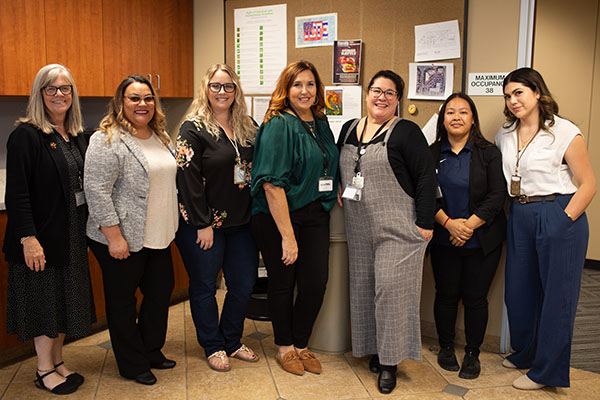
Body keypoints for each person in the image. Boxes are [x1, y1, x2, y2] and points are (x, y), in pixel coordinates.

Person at [496, 67, 596, 390]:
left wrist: (562, 221)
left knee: (557, 298)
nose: (513, 101)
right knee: (519, 293)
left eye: (519, 93)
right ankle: (527, 353)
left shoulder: (564, 131)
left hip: (558, 211)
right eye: (508, 95)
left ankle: (547, 372)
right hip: (521, 213)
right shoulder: (505, 133)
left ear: (537, 92)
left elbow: (588, 184)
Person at [337, 70, 436, 394]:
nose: (381, 97)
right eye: (376, 90)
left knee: (391, 293)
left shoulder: (406, 131)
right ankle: (376, 351)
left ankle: (390, 363)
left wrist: (424, 224)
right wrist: (339, 186)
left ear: (398, 99)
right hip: (359, 224)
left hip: (399, 227)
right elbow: (341, 167)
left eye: (389, 93)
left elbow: (425, 179)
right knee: (365, 289)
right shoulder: (349, 128)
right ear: (367, 94)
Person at [4, 64, 94, 395]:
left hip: (71, 235)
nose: (59, 95)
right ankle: (44, 369)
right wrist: (28, 239)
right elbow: (16, 194)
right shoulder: (27, 136)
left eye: (65, 88)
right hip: (41, 237)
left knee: (64, 303)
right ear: (39, 94)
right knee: (45, 303)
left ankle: (58, 361)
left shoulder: (76, 135)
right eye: (51, 89)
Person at [84, 75, 179, 386]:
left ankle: (150, 350)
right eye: (134, 98)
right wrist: (114, 237)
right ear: (120, 103)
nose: (142, 104)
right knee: (123, 301)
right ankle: (132, 363)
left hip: (158, 234)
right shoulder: (107, 139)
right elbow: (96, 190)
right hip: (121, 235)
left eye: (148, 98)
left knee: (159, 292)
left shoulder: (160, 135)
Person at [251, 60, 340, 376]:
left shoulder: (320, 121)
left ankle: (302, 344)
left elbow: (328, 159)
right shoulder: (278, 124)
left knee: (316, 282)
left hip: (315, 212)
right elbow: (272, 185)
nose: (305, 91)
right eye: (297, 84)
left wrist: (337, 186)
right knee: (283, 282)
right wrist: (287, 236)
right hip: (278, 215)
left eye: (311, 84)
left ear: (318, 90)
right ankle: (285, 347)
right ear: (286, 90)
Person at [175, 64, 259, 372]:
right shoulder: (192, 128)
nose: (222, 92)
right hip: (205, 226)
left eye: (228, 86)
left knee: (243, 284)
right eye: (215, 86)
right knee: (204, 286)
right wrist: (202, 224)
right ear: (205, 89)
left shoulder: (249, 127)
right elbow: (187, 180)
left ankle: (232, 340)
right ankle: (212, 345)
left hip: (242, 223)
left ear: (237, 91)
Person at [429, 93, 506, 380]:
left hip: (482, 239)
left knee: (476, 298)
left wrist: (467, 227)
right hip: (443, 238)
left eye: (463, 112)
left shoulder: (488, 152)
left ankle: (472, 353)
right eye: (450, 112)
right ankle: (446, 347)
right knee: (446, 295)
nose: (457, 117)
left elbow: (498, 195)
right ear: (443, 119)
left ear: (473, 118)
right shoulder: (432, 153)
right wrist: (449, 224)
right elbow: (424, 195)